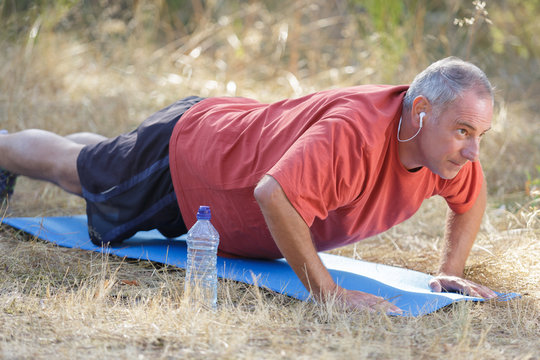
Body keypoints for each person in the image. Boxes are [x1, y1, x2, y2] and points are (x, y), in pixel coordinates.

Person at [0, 57, 498, 313]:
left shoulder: (447, 155)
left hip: (221, 146)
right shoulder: (355, 134)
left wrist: (448, 272)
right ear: (421, 111)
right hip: (195, 160)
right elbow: (272, 193)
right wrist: (327, 293)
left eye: (480, 135)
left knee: (105, 159)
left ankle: (110, 151)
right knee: (77, 171)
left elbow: (469, 204)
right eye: (463, 132)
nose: (473, 151)